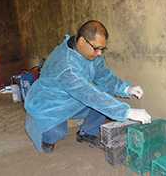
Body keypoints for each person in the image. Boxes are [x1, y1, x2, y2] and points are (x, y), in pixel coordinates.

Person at [24, 20, 152, 153]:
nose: (99, 53)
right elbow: (90, 96)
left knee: (103, 96)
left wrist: (126, 89)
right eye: (96, 48)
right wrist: (127, 112)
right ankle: (47, 137)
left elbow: (103, 76)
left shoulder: (89, 52)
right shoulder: (66, 67)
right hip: (50, 105)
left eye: (102, 49)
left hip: (72, 99)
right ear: (81, 41)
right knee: (56, 132)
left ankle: (87, 133)